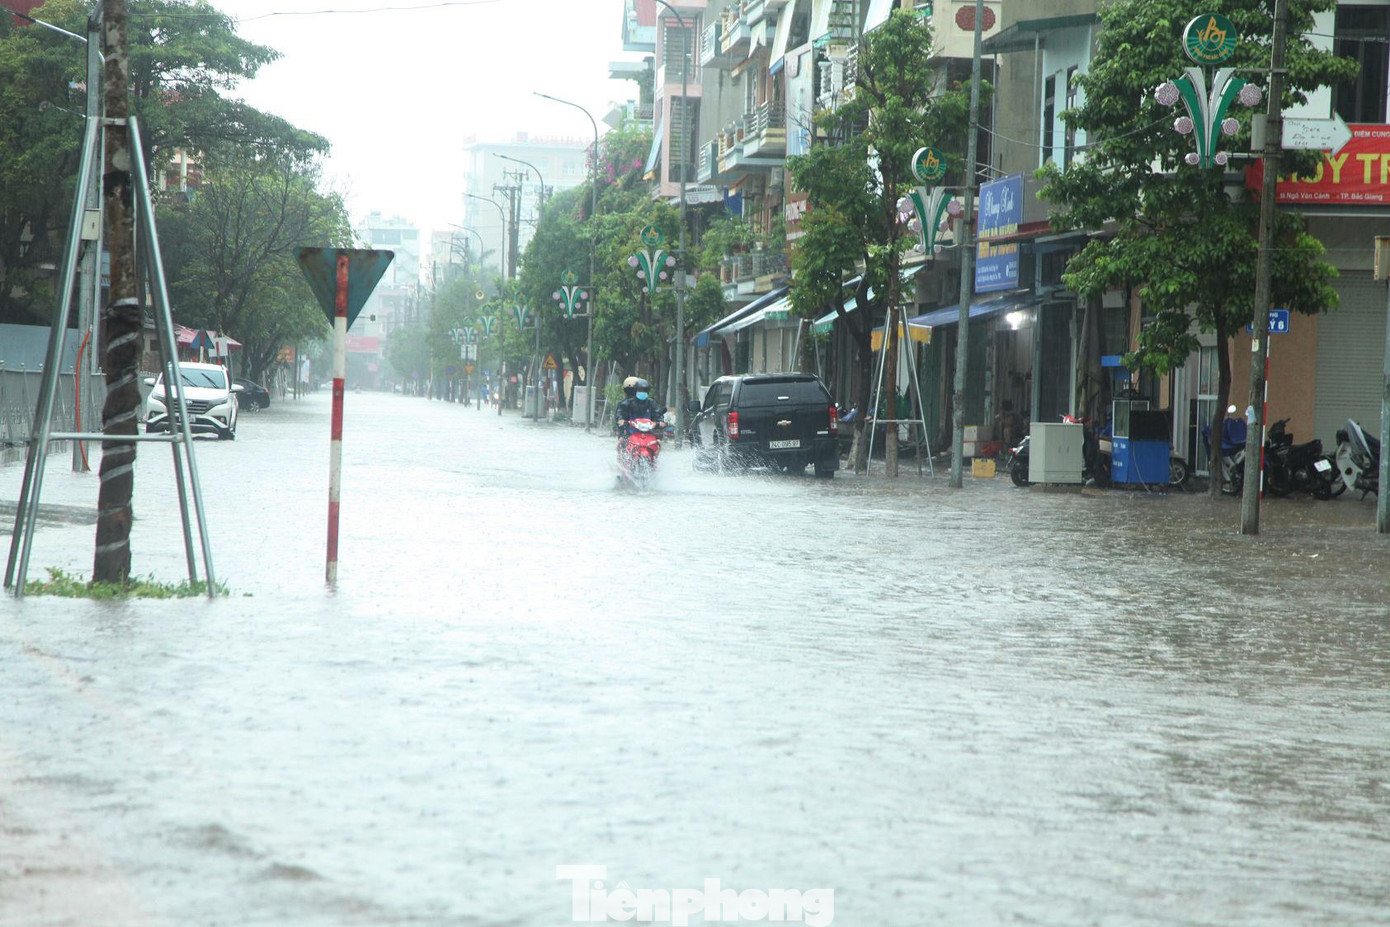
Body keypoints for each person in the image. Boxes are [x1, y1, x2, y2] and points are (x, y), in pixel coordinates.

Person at [615, 376, 661, 444]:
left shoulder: (651, 403)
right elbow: (620, 415)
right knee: (622, 442)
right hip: (630, 430)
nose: (642, 392)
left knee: (658, 442)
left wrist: (659, 422)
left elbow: (657, 415)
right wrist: (622, 422)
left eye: (644, 390)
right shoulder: (625, 403)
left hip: (646, 430)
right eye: (640, 390)